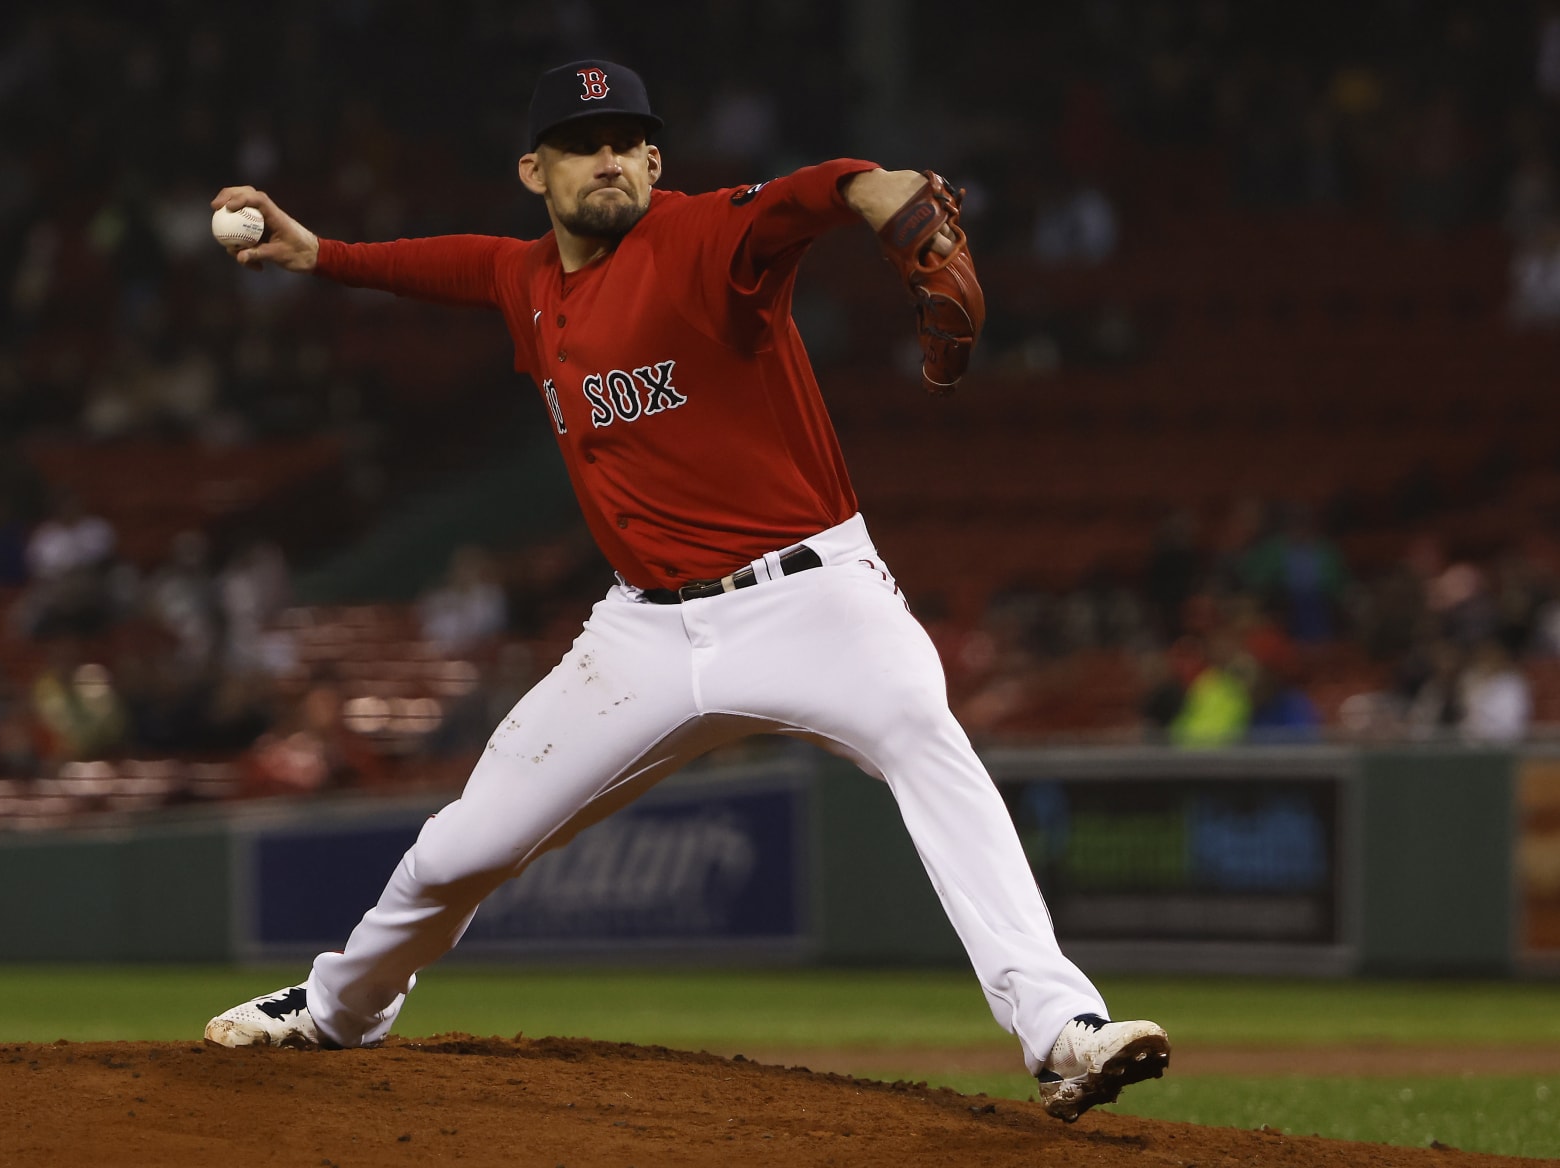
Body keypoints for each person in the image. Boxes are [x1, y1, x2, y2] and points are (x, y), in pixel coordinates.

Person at [201, 60, 1167, 1121]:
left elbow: (809, 196)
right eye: (581, 141)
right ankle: (342, 1007)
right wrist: (319, 254)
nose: (608, 157)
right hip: (642, 633)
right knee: (459, 848)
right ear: (535, 170)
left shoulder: (707, 238)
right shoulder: (526, 281)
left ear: (657, 162)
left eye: (628, 140)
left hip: (812, 596)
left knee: (927, 747)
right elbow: (447, 265)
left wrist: (871, 187)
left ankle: (1060, 1027)